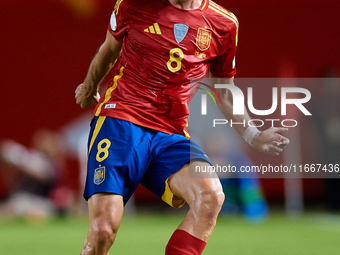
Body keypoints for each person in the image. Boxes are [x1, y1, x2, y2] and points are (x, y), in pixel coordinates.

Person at [75, 0, 290, 254]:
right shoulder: (133, 4)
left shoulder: (223, 24)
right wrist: (90, 86)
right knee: (103, 231)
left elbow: (224, 88)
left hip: (171, 133)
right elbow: (108, 51)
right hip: (122, 121)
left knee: (210, 196)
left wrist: (253, 135)